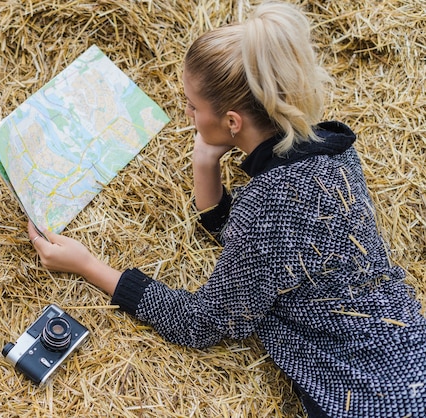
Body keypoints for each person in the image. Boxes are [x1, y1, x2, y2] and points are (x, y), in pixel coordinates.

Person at [27, 2, 426, 417]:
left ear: (233, 122)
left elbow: (202, 322)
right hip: (410, 352)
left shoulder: (270, 201)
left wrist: (87, 264)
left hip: (366, 396)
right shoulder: (335, 150)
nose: (188, 114)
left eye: (194, 107)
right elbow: (262, 247)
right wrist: (206, 163)